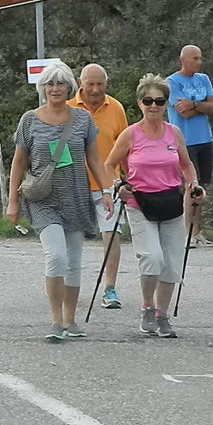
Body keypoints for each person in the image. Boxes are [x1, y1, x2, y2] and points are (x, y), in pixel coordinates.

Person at [7, 62, 114, 340]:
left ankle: (70, 320)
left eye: (60, 84)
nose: (55, 89)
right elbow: (18, 163)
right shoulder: (29, 120)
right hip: (43, 200)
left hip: (76, 197)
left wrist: (106, 190)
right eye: (50, 84)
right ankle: (56, 321)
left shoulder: (82, 120)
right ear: (42, 89)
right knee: (56, 256)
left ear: (70, 87)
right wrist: (12, 202)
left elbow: (94, 159)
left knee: (74, 261)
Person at [105, 73, 205, 338]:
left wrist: (194, 184)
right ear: (139, 103)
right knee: (152, 258)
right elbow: (108, 164)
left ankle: (162, 315)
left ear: (166, 104)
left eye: (159, 101)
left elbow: (185, 164)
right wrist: (118, 185)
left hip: (171, 202)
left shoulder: (174, 133)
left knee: (171, 265)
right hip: (140, 203)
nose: (153, 106)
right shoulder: (130, 134)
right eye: (147, 100)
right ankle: (147, 307)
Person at [68, 63, 128, 309]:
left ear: (106, 83)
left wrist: (127, 179)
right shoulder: (67, 108)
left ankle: (110, 289)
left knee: (112, 235)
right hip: (73, 185)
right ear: (80, 83)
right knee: (71, 239)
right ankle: (68, 287)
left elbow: (125, 146)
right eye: (90, 84)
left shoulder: (116, 108)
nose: (94, 89)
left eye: (99, 84)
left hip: (108, 184)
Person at [167, 45, 213, 247]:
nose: (199, 62)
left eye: (200, 58)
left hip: (204, 139)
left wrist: (194, 104)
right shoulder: (172, 82)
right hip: (185, 141)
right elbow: (183, 112)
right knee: (189, 186)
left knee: (200, 187)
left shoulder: (203, 79)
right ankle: (186, 232)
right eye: (195, 58)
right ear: (184, 59)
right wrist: (199, 106)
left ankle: (197, 232)